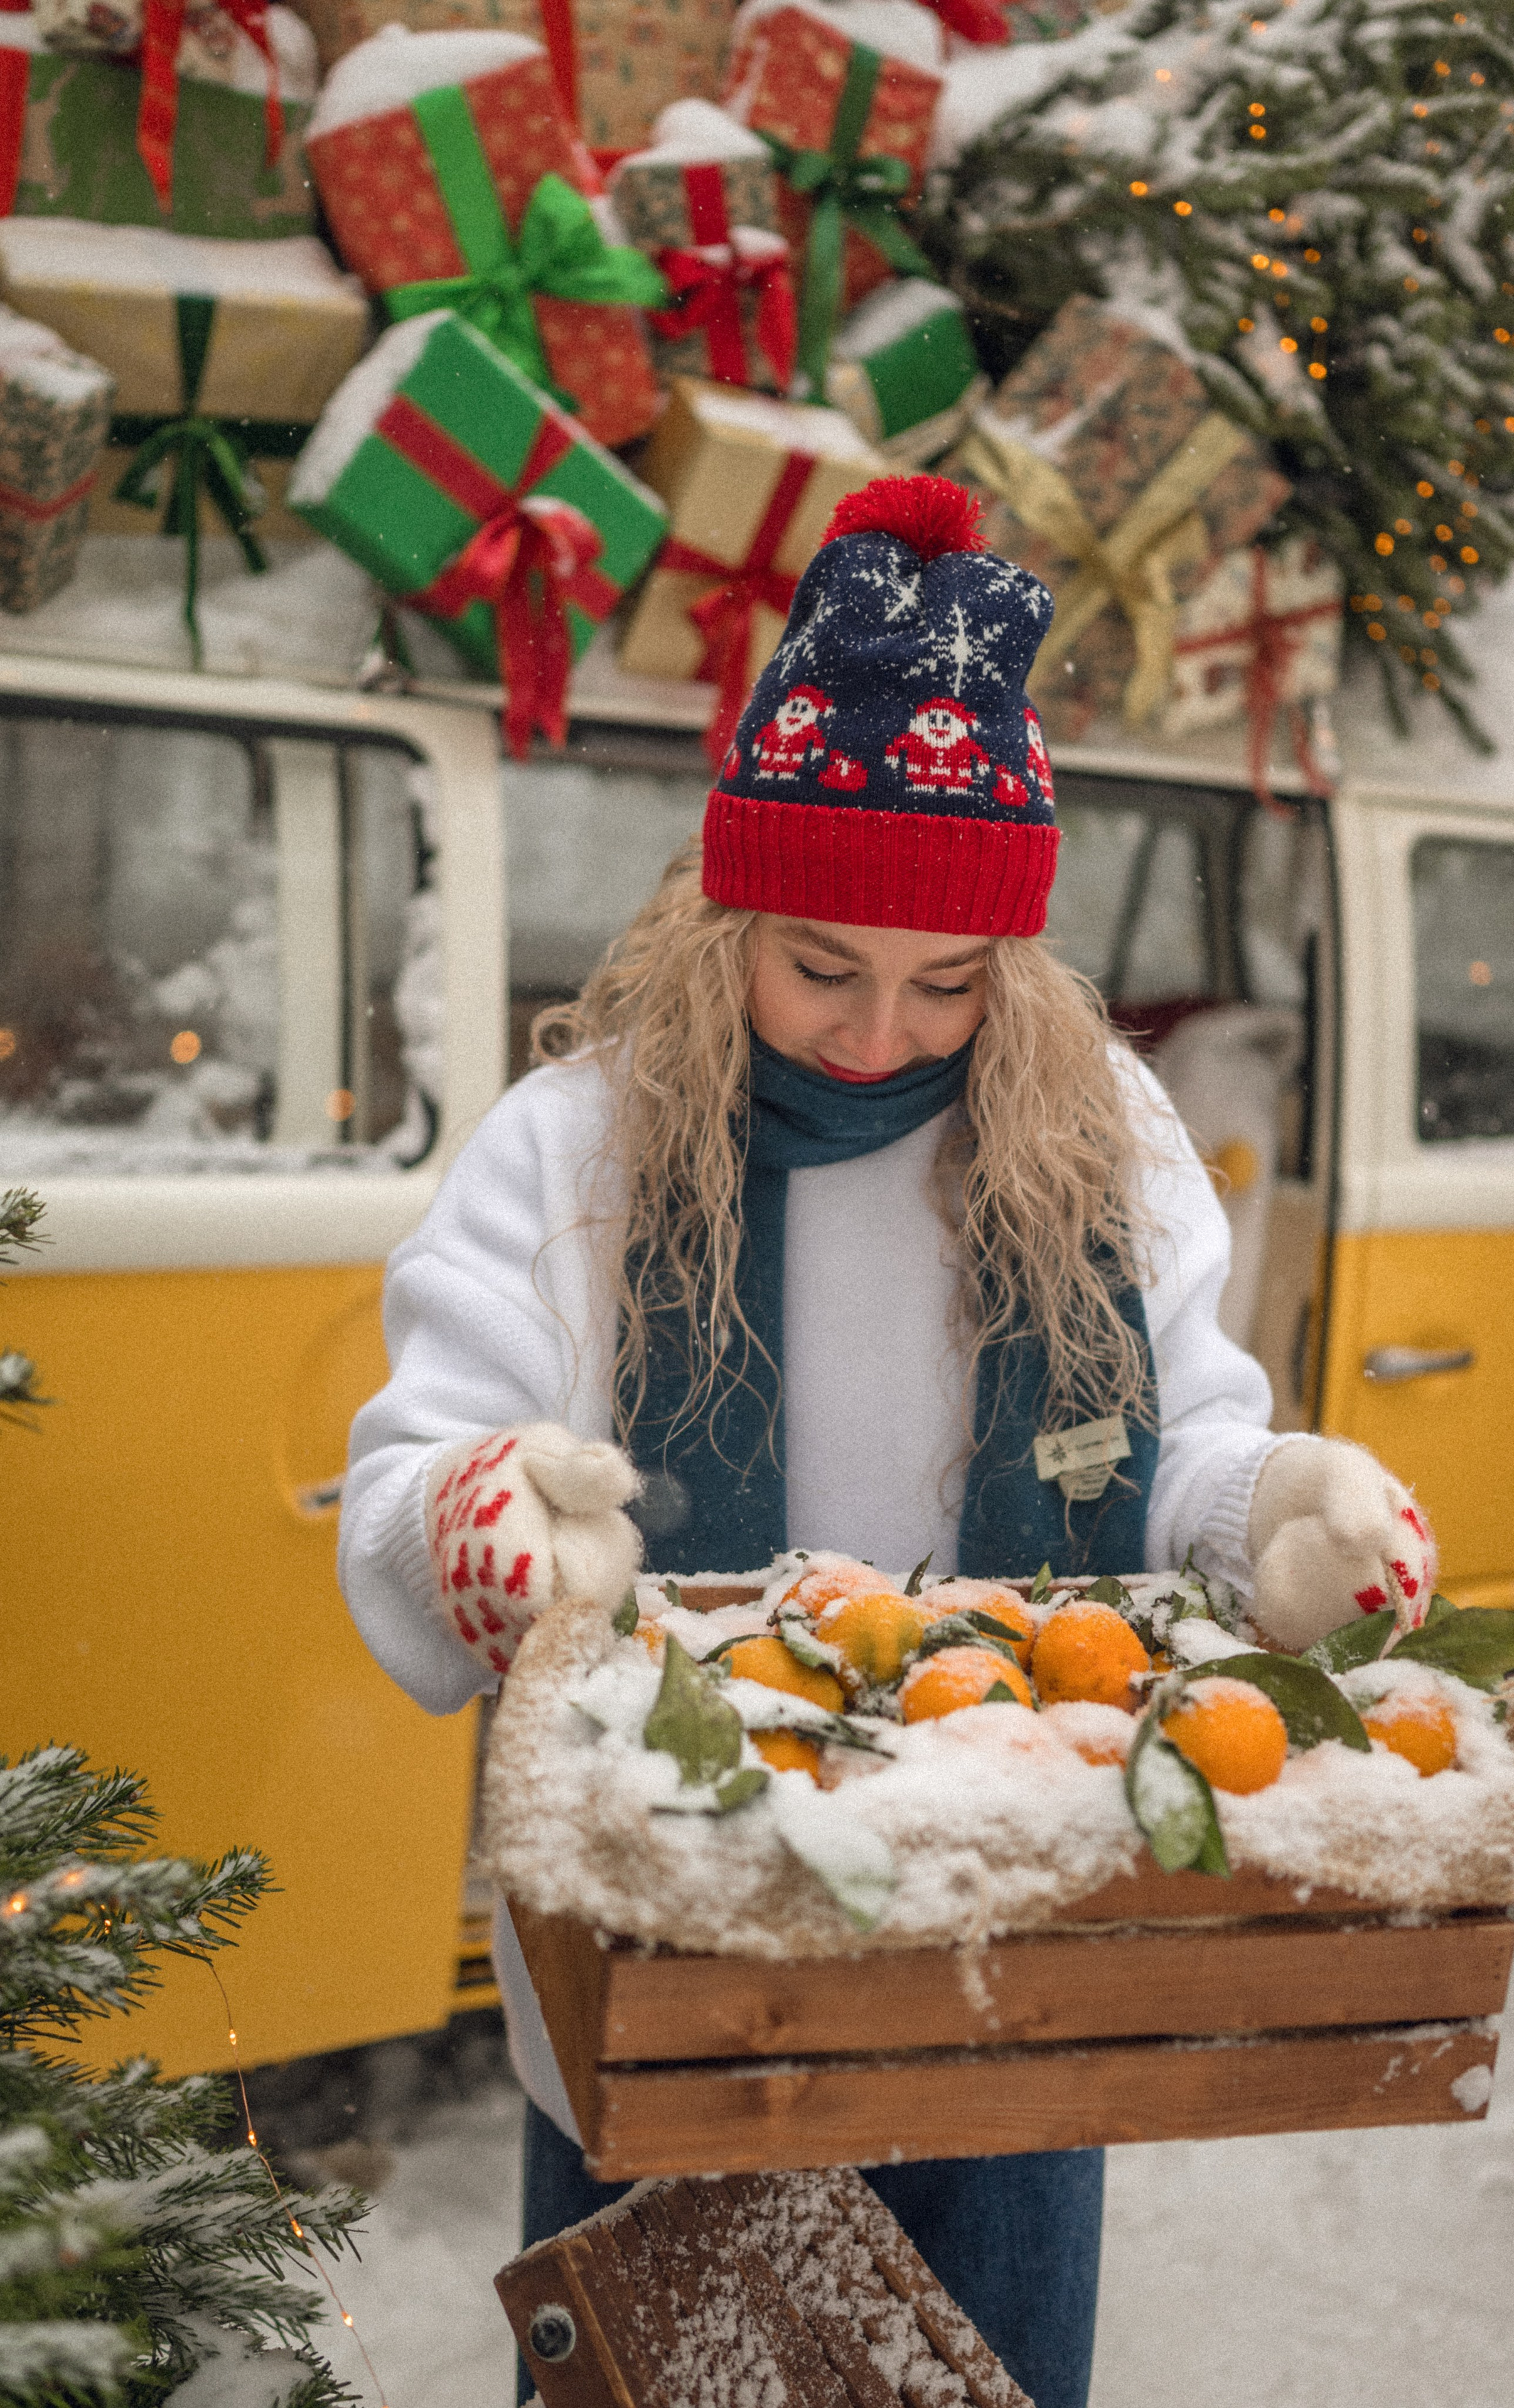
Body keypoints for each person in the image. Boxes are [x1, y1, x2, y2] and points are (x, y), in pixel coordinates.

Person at [338, 475, 1435, 2408]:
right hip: (668, 1972)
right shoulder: (581, 1146)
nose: (874, 1038)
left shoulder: (1100, 1136)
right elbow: (424, 1455)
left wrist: (1278, 1507)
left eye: (946, 983)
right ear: (726, 913)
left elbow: (1172, 1466)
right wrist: (484, 1523)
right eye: (819, 966)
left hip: (1012, 1961)